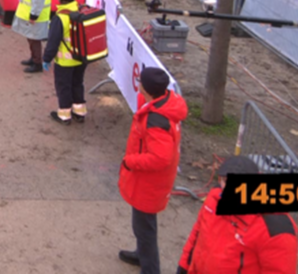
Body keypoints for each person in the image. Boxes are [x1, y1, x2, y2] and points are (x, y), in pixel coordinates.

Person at [117, 66, 188, 274]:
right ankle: (141, 255)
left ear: (146, 89)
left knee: (145, 229)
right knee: (143, 225)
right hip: (148, 181)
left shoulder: (156, 120)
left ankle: (150, 268)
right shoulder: (161, 104)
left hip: (149, 182)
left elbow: (160, 158)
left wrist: (131, 162)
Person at [177, 156, 297, 273]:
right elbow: (197, 234)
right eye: (226, 181)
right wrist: (184, 266)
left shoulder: (276, 229)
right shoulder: (214, 198)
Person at [42, 0, 88, 122]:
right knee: (77, 83)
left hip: (65, 62)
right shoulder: (80, 11)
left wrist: (47, 58)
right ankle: (79, 112)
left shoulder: (60, 18)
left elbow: (53, 42)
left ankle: (64, 115)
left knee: (63, 87)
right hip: (81, 59)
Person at [11, 0, 55, 74]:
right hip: (34, 14)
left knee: (34, 39)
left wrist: (33, 15)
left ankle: (37, 63)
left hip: (37, 16)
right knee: (31, 38)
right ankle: (34, 58)